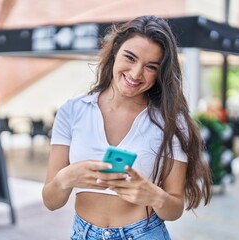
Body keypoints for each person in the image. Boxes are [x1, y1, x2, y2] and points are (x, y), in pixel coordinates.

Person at [42, 15, 212, 240]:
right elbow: (50, 201)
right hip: (83, 234)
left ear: (160, 73)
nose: (136, 74)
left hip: (144, 234)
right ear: (114, 53)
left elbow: (174, 209)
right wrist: (66, 178)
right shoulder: (72, 112)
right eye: (130, 58)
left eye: (150, 67)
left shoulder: (171, 120)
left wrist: (154, 196)